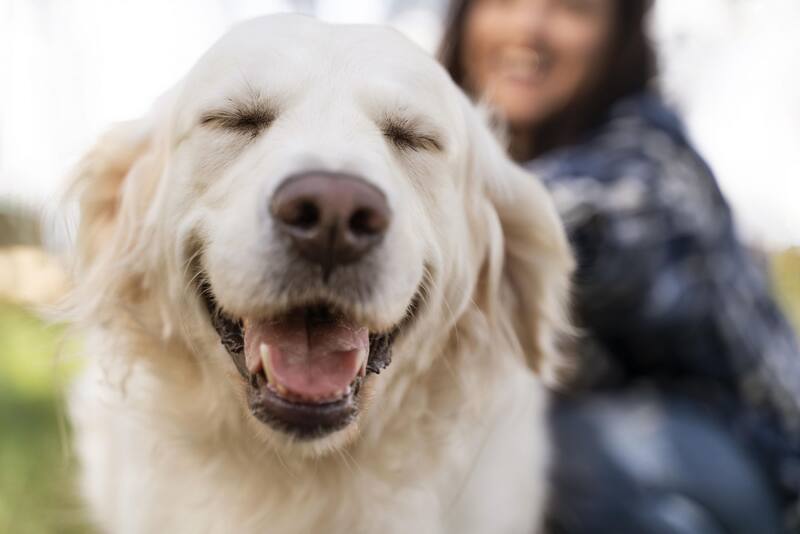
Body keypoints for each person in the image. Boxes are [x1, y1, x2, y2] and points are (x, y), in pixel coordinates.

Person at [439, 1, 800, 532]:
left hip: (750, 472)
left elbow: (572, 223)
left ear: (619, 36)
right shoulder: (478, 161)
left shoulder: (648, 163)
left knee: (541, 452)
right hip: (641, 456)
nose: (528, 27)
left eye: (572, 8)